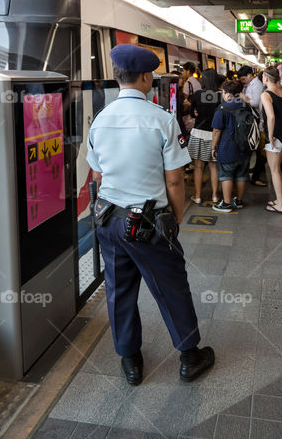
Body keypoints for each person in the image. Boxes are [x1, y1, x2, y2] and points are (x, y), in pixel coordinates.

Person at [85, 44, 214, 386]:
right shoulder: (161, 119)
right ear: (144, 78)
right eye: (152, 75)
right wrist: (175, 219)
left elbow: (97, 176)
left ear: (118, 78)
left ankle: (130, 361)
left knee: (118, 289)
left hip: (109, 218)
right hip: (149, 223)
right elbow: (174, 179)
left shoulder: (100, 120)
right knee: (171, 286)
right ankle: (189, 356)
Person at [211, 80, 251, 212]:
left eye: (223, 92)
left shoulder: (222, 108)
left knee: (226, 175)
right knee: (241, 174)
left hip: (228, 147)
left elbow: (217, 131)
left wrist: (213, 147)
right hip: (245, 147)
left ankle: (227, 203)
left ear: (227, 94)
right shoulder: (246, 105)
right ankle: (239, 201)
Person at [260, 67, 282, 213]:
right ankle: (279, 200)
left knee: (274, 171)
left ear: (266, 78)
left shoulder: (266, 95)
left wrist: (270, 136)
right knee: (278, 169)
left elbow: (271, 117)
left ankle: (281, 204)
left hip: (276, 137)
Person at [188, 68, 222, 204]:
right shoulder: (220, 96)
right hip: (214, 134)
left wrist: (197, 113)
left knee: (198, 166)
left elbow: (191, 113)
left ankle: (197, 196)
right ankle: (215, 195)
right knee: (213, 166)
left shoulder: (197, 95)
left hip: (199, 133)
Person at [238, 66, 266, 187]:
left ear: (250, 75)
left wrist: (243, 97)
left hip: (258, 120)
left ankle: (255, 176)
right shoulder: (249, 85)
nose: (243, 81)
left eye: (244, 79)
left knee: (258, 149)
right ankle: (253, 173)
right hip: (252, 120)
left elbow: (255, 102)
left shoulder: (257, 85)